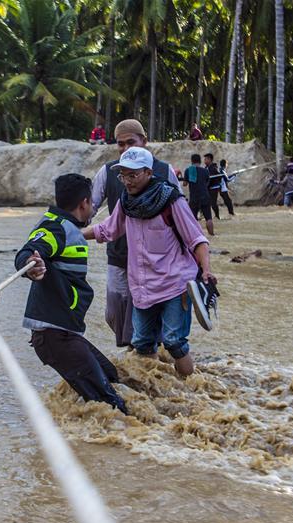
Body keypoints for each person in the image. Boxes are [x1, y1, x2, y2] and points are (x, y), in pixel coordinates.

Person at [83, 147, 218, 377]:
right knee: (142, 343)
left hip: (175, 284)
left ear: (148, 172)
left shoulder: (171, 201)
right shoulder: (126, 202)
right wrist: (73, 234)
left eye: (132, 175)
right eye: (123, 175)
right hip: (142, 288)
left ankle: (193, 391)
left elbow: (197, 240)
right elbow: (107, 229)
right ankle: (155, 393)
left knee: (175, 342)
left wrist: (206, 270)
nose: (127, 181)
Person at [14, 174, 128, 414]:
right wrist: (30, 264)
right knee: (112, 408)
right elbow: (29, 251)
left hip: (65, 333)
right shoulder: (56, 227)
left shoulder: (64, 225)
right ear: (85, 203)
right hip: (55, 337)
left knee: (113, 377)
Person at [90, 118, 182, 348]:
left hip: (157, 260)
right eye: (120, 144)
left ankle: (146, 355)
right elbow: (88, 208)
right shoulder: (108, 172)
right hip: (119, 254)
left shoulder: (163, 171)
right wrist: (66, 230)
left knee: (152, 310)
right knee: (114, 311)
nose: (125, 148)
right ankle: (137, 351)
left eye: (131, 142)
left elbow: (182, 215)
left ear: (145, 141)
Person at [182, 153, 214, 236]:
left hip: (194, 197)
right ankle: (212, 235)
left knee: (193, 219)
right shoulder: (205, 171)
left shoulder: (188, 170)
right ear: (200, 161)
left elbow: (185, 184)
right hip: (205, 196)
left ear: (192, 161)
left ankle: (196, 236)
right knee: (208, 218)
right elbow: (207, 182)